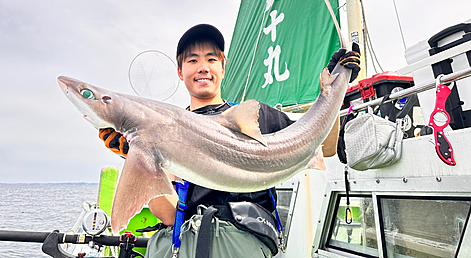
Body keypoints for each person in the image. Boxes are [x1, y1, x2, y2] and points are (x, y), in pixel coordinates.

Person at [99, 24, 360, 258]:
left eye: (211, 59)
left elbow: (323, 147)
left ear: (223, 66)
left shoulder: (258, 115)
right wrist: (135, 153)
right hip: (187, 243)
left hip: (242, 242)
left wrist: (337, 88)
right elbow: (168, 214)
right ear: (180, 71)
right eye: (192, 60)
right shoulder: (164, 132)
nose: (203, 67)